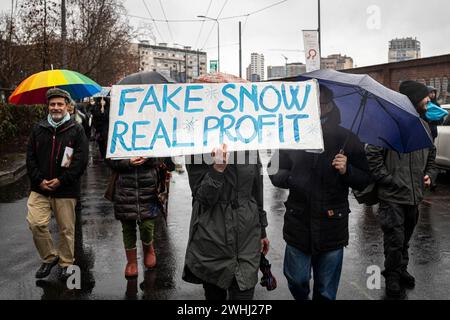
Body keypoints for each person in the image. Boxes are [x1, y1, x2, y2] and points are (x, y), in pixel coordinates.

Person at [268, 85, 371, 300]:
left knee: (325, 292)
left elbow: (366, 180)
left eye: (322, 103)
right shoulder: (293, 135)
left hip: (332, 225)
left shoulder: (347, 138)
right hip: (299, 223)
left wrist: (347, 170)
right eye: (313, 102)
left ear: (330, 105)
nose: (318, 107)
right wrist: (292, 177)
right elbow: (273, 168)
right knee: (297, 280)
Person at [366, 80, 438, 299]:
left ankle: (401, 269)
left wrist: (430, 175)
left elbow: (431, 155)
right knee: (394, 239)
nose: (429, 100)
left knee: (406, 237)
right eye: (425, 97)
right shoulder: (390, 125)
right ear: (414, 99)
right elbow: (373, 154)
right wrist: (387, 180)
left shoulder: (424, 125)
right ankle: (392, 278)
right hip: (393, 196)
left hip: (414, 195)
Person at [183, 145, 270, 300]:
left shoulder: (248, 141)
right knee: (214, 294)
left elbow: (257, 188)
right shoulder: (196, 146)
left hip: (247, 237)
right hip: (212, 238)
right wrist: (217, 169)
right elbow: (202, 197)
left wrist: (262, 230)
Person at [26, 88, 89, 280]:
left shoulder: (76, 130)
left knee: (66, 230)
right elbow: (30, 158)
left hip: (66, 190)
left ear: (68, 107)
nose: (56, 107)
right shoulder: (38, 129)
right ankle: (49, 257)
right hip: (40, 188)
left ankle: (66, 264)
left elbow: (80, 160)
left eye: (60, 104)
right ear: (48, 106)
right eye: (52, 104)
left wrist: (61, 180)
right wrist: (39, 180)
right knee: (36, 223)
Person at [106, 157, 175, 278]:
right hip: (124, 188)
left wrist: (148, 158)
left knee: (147, 225)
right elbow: (110, 159)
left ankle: (148, 249)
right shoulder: (114, 137)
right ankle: (131, 261)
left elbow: (161, 157)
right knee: (127, 227)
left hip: (148, 187)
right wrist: (128, 162)